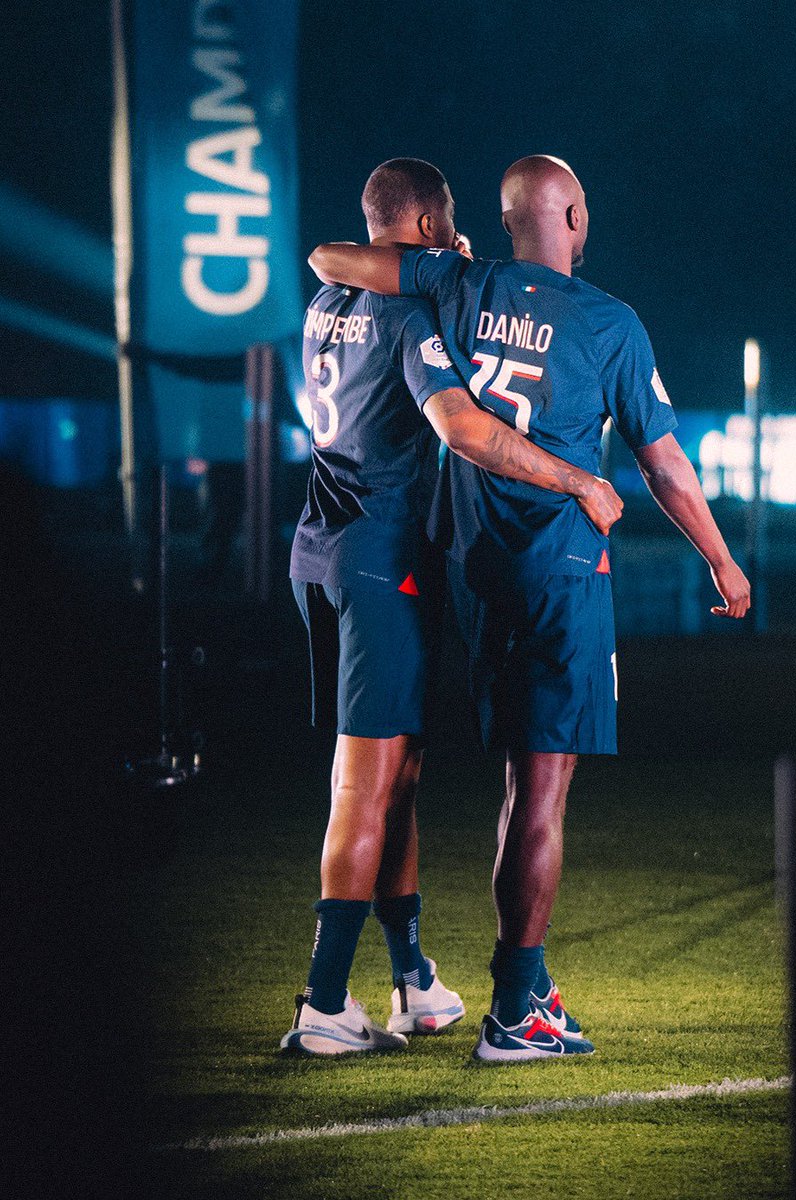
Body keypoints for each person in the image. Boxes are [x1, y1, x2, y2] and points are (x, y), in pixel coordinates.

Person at [308, 155, 751, 1062]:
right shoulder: (610, 323)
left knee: (490, 783)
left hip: (471, 573)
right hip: (560, 571)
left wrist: (446, 260)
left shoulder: (458, 283)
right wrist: (720, 557)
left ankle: (477, 983)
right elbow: (661, 464)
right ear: (577, 217)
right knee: (539, 793)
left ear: (505, 221)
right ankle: (515, 1009)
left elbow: (334, 260)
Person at [282, 158, 624, 1057]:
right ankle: (322, 1003)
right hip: (379, 558)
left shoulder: (328, 303)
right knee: (365, 781)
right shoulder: (407, 310)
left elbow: (335, 265)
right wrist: (576, 478)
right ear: (432, 228)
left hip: (316, 549)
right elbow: (463, 428)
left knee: (397, 772)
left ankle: (412, 979)